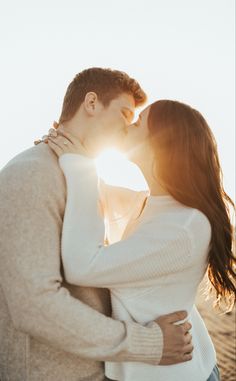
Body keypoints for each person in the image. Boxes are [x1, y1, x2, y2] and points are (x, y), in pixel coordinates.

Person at [0, 69, 192, 381]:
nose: (128, 127)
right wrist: (148, 343)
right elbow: (35, 305)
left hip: (94, 369)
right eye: (125, 113)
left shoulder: (82, 176)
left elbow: (142, 204)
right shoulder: (30, 175)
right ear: (91, 103)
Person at [48, 99, 235, 381]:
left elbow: (82, 266)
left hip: (175, 375)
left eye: (137, 123)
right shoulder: (153, 203)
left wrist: (75, 163)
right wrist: (75, 142)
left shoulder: (184, 225)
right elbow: (99, 192)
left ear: (161, 144)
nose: (127, 125)